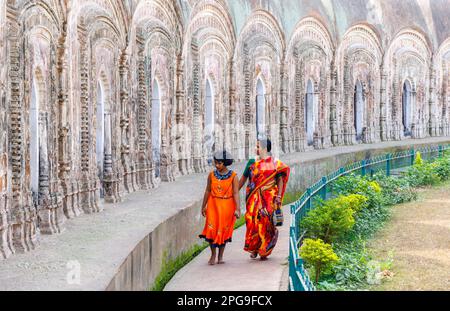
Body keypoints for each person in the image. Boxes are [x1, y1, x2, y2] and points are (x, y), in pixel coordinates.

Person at [239, 138, 290, 260]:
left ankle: (264, 249)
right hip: (253, 198)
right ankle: (254, 248)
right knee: (251, 221)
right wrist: (232, 190)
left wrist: (278, 197)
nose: (256, 149)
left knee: (266, 221)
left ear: (265, 148)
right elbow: (243, 179)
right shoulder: (252, 162)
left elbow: (280, 180)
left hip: (269, 198)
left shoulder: (275, 163)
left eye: (258, 147)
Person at [199, 150, 241, 265]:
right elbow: (207, 190)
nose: (217, 165)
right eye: (215, 163)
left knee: (223, 231)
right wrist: (203, 206)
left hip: (227, 206)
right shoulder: (211, 175)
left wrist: (238, 209)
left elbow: (236, 193)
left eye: (219, 163)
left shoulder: (233, 176)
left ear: (225, 163)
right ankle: (213, 255)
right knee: (211, 229)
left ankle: (220, 256)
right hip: (213, 204)